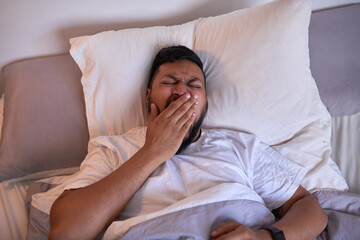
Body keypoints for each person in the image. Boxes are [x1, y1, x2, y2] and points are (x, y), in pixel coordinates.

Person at [48, 46, 327, 240]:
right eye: (170, 82)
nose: (182, 91)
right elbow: (66, 232)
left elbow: (309, 209)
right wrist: (152, 152)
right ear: (148, 98)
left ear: (205, 102)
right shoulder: (112, 149)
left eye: (194, 85)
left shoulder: (240, 147)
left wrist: (266, 237)